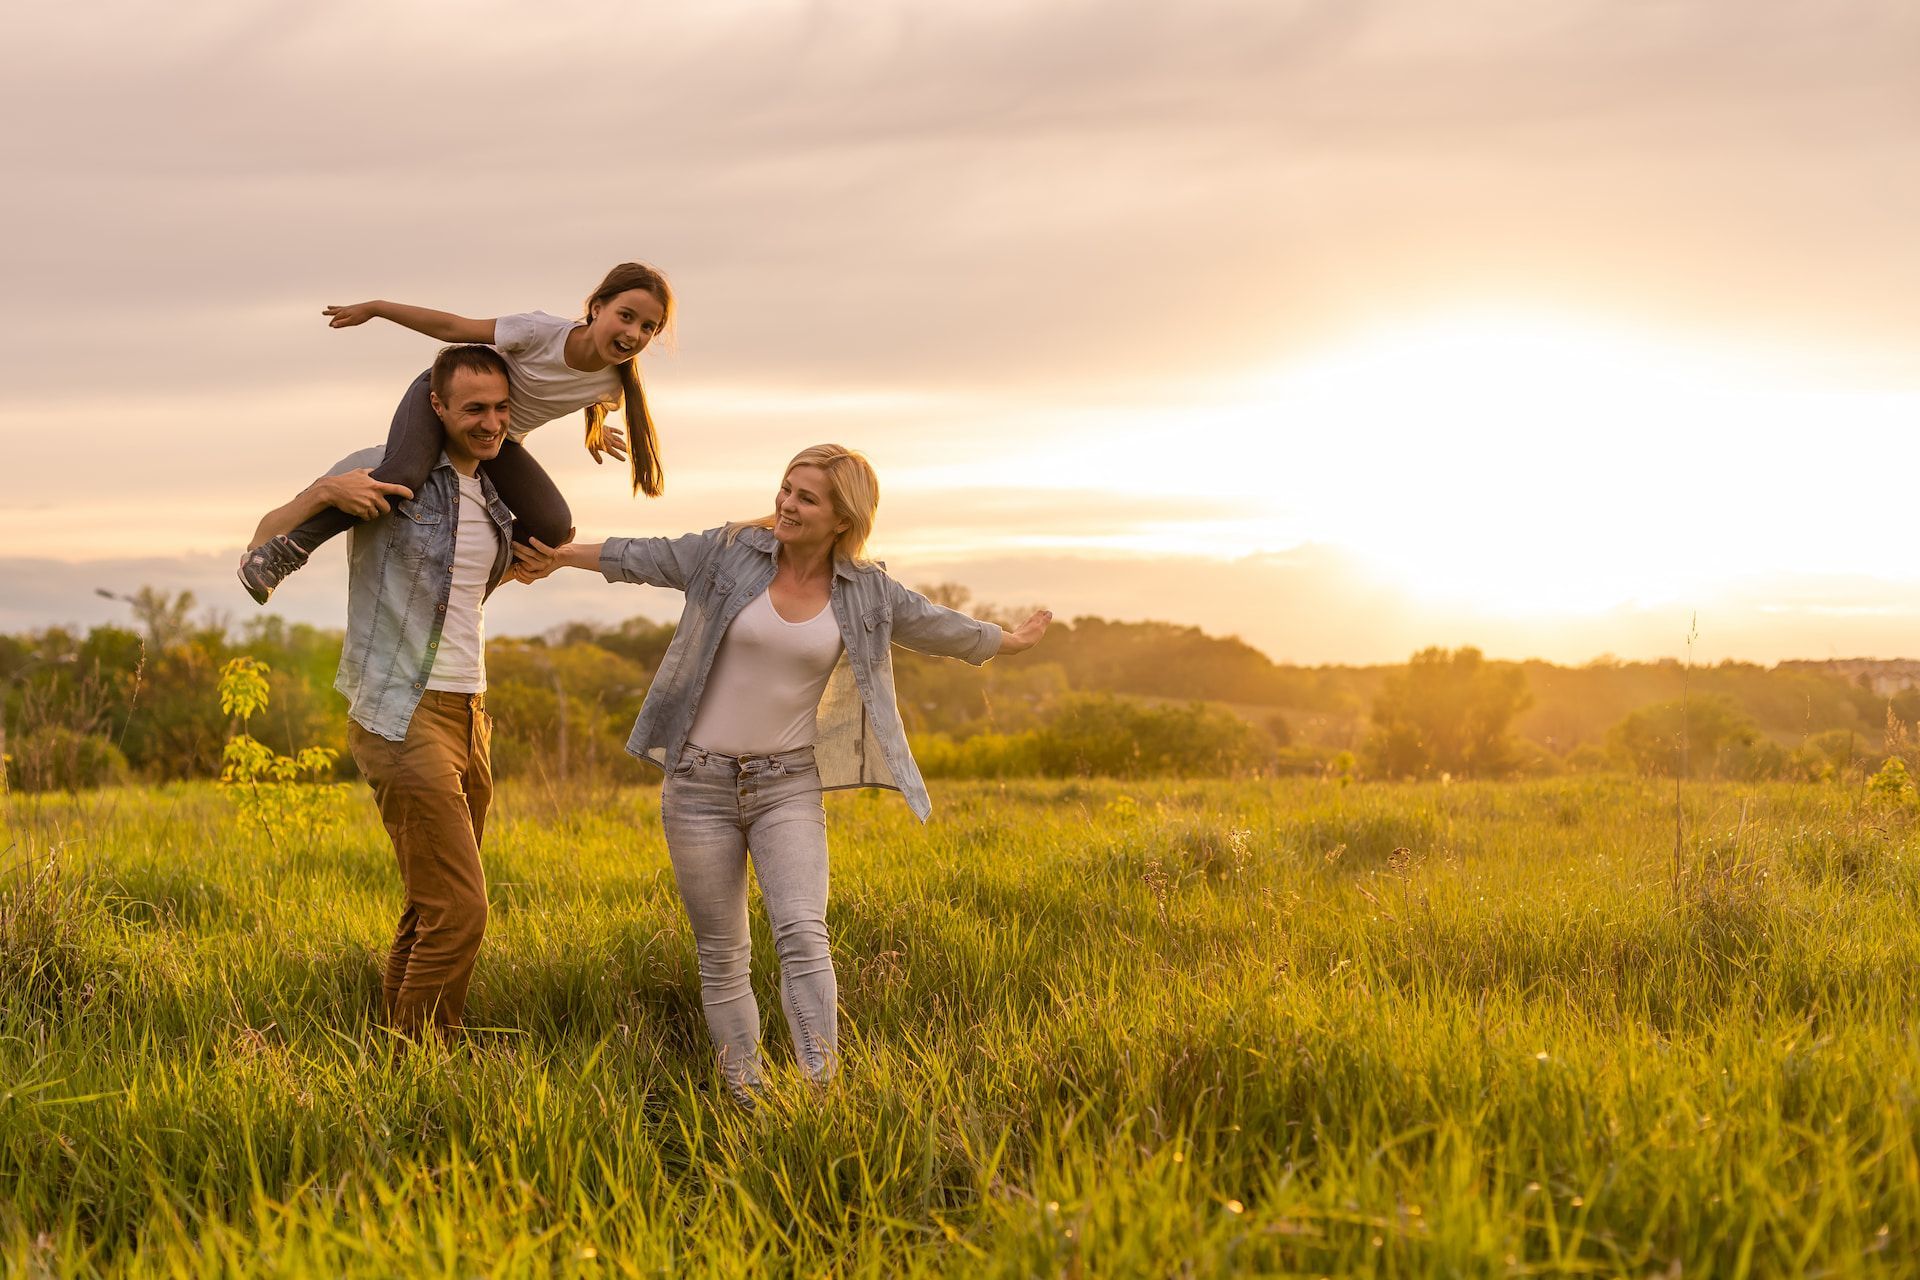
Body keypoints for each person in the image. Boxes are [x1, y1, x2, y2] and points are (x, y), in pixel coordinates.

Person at [513, 444, 1052, 1101]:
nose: (787, 505)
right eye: (787, 489)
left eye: (807, 498)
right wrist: (558, 555)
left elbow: (936, 625)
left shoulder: (867, 591)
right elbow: (647, 555)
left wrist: (1005, 641)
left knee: (803, 933)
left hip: (787, 785)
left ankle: (821, 1092)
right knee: (722, 954)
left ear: (843, 518)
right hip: (698, 785)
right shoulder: (730, 552)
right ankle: (746, 1095)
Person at [247, 344, 521, 1043]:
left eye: (499, 407)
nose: (490, 423)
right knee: (461, 909)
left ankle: (397, 1054)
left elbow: (459, 594)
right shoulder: (381, 465)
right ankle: (429, 1065)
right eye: (473, 409)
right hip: (400, 711)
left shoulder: (495, 491)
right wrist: (321, 493)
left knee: (431, 904)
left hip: (469, 711)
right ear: (437, 406)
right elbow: (259, 544)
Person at [238, 262, 673, 604]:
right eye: (626, 316)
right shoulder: (538, 331)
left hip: (497, 438)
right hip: (442, 398)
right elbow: (452, 328)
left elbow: (588, 396)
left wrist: (594, 433)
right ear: (597, 307)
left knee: (553, 526)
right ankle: (282, 552)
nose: (633, 333)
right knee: (404, 476)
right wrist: (378, 307)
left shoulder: (617, 385)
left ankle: (470, 595)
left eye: (648, 327)